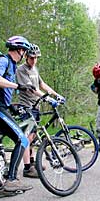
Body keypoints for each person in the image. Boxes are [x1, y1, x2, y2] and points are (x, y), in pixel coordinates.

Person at [0, 35, 33, 193]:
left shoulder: (9, 64)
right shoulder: (4, 61)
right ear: (20, 50)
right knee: (22, 139)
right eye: (24, 51)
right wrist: (17, 86)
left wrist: (10, 106)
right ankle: (11, 180)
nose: (24, 54)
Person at [16, 43, 65, 178]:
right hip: (26, 107)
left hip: (35, 106)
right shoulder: (21, 70)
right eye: (32, 58)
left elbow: (42, 84)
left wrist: (56, 94)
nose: (34, 60)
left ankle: (33, 163)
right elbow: (32, 88)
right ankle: (27, 168)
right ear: (26, 57)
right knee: (27, 137)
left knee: (33, 136)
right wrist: (47, 98)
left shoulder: (35, 69)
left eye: (36, 58)